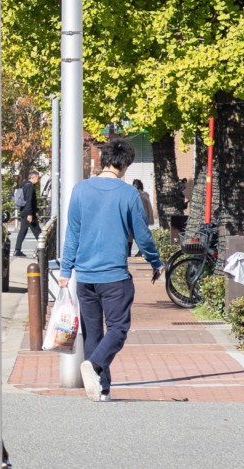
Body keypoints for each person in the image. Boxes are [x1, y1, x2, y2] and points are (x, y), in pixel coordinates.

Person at [57, 137, 163, 402]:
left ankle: (101, 389)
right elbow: (142, 234)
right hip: (114, 275)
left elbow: (73, 233)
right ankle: (94, 366)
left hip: (85, 276)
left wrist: (66, 270)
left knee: (93, 332)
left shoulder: (80, 190)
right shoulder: (128, 194)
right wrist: (155, 261)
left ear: (103, 160)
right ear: (125, 164)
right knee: (118, 328)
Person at [10, 171, 42, 259]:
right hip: (29, 212)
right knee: (37, 231)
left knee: (23, 231)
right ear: (34, 177)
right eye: (37, 178)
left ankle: (17, 249)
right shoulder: (30, 186)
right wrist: (30, 214)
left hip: (23, 210)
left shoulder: (23, 185)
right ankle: (43, 249)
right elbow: (29, 200)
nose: (38, 180)